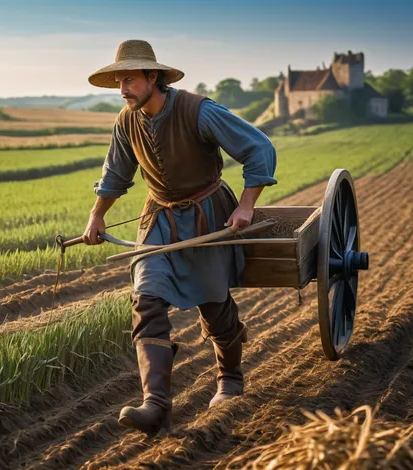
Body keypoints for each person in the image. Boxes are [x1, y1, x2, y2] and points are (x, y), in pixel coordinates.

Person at [83, 40, 277, 436]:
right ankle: (155, 405)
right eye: (119, 80)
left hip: (209, 214)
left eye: (130, 79)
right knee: (146, 299)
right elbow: (115, 174)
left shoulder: (198, 110)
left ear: (153, 77)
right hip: (158, 219)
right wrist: (96, 216)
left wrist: (245, 205)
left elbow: (259, 148)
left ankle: (230, 379)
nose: (122, 89)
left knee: (214, 305)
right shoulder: (126, 121)